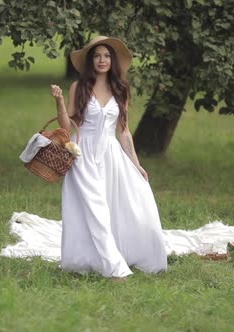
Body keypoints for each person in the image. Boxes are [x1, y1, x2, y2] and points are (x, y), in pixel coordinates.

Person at [50, 36, 167, 280]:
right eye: (97, 56)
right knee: (95, 209)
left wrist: (137, 165)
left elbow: (123, 132)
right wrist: (60, 102)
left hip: (111, 154)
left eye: (106, 56)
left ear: (112, 61)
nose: (102, 60)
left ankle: (116, 255)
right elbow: (67, 126)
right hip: (83, 154)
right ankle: (115, 269)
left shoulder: (121, 89)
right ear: (90, 60)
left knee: (131, 204)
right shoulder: (78, 87)